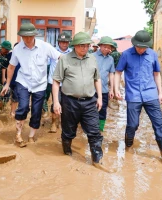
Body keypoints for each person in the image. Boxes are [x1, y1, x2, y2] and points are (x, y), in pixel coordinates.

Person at [114, 30, 162, 169]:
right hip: (133, 95)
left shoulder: (153, 54)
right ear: (134, 44)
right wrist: (116, 90)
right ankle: (128, 145)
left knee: (159, 124)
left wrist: (160, 93)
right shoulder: (126, 55)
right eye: (139, 47)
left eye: (144, 47)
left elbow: (156, 74)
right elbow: (118, 72)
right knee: (132, 125)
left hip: (151, 94)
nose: (141, 49)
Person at [52, 32, 111, 172]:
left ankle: (97, 159)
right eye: (82, 46)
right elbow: (56, 81)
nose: (85, 48)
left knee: (94, 131)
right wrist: (56, 102)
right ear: (75, 46)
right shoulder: (64, 59)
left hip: (90, 101)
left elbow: (97, 79)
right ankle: (67, 151)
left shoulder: (92, 59)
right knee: (68, 130)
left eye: (87, 45)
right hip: (69, 101)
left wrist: (100, 99)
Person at [0, 23, 61, 147]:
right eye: (24, 37)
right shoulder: (17, 49)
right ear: (21, 36)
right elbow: (11, 67)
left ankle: (31, 136)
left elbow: (60, 57)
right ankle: (18, 135)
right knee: (22, 107)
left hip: (40, 84)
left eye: (30, 36)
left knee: (36, 111)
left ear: (34, 35)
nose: (27, 39)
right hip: (23, 81)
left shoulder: (45, 47)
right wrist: (7, 84)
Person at [48, 32, 72, 133]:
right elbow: (46, 64)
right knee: (55, 102)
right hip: (55, 83)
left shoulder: (72, 53)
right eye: (62, 42)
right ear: (58, 42)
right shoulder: (52, 52)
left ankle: (63, 123)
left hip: (68, 83)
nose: (64, 44)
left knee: (66, 104)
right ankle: (53, 123)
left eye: (66, 42)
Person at [93, 36, 115, 131]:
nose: (107, 49)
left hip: (104, 89)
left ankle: (100, 130)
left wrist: (112, 89)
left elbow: (111, 74)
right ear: (100, 46)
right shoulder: (92, 56)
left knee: (103, 110)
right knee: (91, 110)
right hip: (91, 89)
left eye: (109, 47)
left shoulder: (111, 59)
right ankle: (91, 129)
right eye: (105, 46)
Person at [108, 41, 121, 110]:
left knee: (111, 85)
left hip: (112, 72)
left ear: (112, 47)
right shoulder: (119, 54)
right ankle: (117, 100)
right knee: (117, 85)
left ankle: (112, 100)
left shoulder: (111, 55)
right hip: (118, 72)